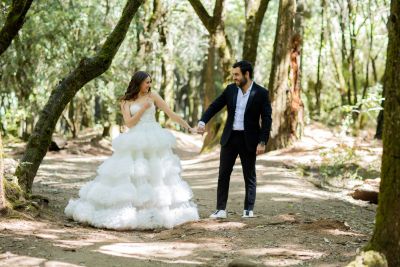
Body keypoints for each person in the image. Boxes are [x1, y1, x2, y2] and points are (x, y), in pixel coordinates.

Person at [65, 71, 199, 229]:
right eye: (146, 82)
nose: (149, 85)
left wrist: (189, 128)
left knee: (156, 173)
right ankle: (130, 211)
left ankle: (155, 210)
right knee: (134, 173)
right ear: (138, 83)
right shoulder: (126, 101)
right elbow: (129, 123)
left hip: (154, 137)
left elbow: (171, 113)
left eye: (150, 82)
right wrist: (142, 109)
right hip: (135, 138)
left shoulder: (153, 96)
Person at [196, 60, 272, 219]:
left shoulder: (261, 93)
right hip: (230, 138)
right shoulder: (230, 90)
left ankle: (248, 210)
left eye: (237, 75)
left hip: (249, 139)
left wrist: (263, 141)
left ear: (247, 74)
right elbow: (215, 106)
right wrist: (203, 121)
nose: (234, 78)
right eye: (233, 75)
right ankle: (221, 210)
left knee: (249, 175)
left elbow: (266, 119)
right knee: (223, 174)